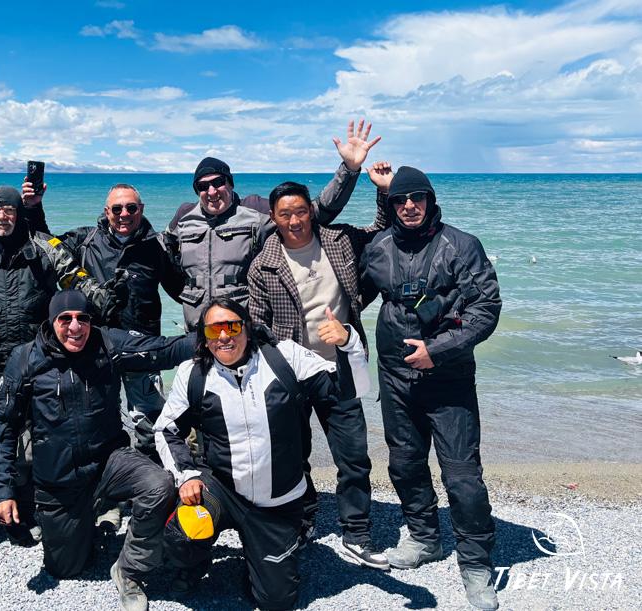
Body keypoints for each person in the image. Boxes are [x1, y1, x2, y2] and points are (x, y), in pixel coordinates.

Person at [0, 290, 193, 611]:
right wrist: (2, 492)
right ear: (51, 322)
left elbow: (162, 350)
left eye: (82, 318)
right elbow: (3, 429)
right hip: (59, 481)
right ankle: (84, 530)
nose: (75, 327)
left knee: (159, 484)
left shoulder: (109, 345)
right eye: (65, 319)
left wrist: (215, 336)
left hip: (109, 463)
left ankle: (128, 569)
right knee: (66, 569)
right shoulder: (26, 359)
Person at [154, 298, 358, 610]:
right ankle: (193, 565)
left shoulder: (285, 357)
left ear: (247, 328)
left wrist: (348, 344)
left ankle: (259, 556)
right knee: (182, 534)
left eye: (232, 326)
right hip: (222, 489)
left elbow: (348, 389)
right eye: (214, 329)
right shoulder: (192, 373)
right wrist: (187, 476)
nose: (224, 336)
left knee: (277, 602)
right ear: (204, 337)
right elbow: (166, 430)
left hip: (277, 502)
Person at [359, 166, 502, 610]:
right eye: (400, 199)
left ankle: (476, 564)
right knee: (404, 463)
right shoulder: (378, 246)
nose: (409, 205)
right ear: (390, 204)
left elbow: (486, 309)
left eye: (417, 197)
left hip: (448, 376)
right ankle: (424, 539)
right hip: (395, 373)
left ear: (430, 199)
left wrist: (437, 350)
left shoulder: (461, 246)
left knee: (462, 475)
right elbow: (351, 295)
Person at [247, 175, 391, 568]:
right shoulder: (264, 266)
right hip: (293, 374)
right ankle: (304, 520)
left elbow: (382, 231)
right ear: (273, 218)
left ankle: (357, 533)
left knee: (354, 456)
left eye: (300, 211)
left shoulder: (339, 240)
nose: (294, 221)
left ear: (310, 210)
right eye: (284, 214)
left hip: (340, 363)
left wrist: (382, 188)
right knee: (294, 456)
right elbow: (257, 325)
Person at [0, 185, 115, 543]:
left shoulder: (47, 248)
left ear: (19, 212)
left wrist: (105, 300)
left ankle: (31, 506)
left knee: (41, 440)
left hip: (41, 364)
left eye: (8, 210)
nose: (2, 217)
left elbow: (77, 280)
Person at [165, 120, 381, 328]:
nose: (211, 192)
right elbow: (162, 260)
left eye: (218, 183)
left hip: (242, 331)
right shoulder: (184, 218)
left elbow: (315, 211)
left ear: (230, 183)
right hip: (198, 331)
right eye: (203, 186)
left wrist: (350, 169)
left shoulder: (254, 211)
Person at [19, 182, 184, 450]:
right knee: (94, 421)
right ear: (106, 211)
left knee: (150, 425)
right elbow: (46, 245)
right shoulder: (85, 241)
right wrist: (33, 207)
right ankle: (106, 478)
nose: (124, 214)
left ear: (141, 209)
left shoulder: (157, 247)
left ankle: (152, 481)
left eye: (131, 207)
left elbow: (182, 291)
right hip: (94, 348)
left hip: (140, 348)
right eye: (117, 208)